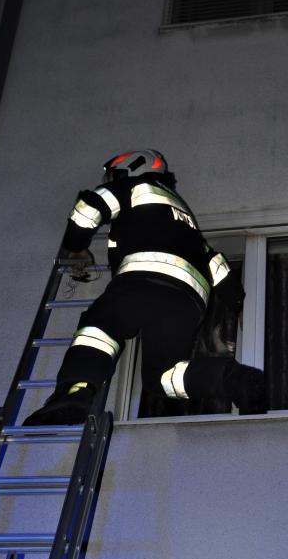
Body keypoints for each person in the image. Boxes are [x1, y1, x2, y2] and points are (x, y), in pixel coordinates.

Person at [23, 149, 267, 426]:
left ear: (131, 167)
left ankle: (75, 392)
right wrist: (236, 303)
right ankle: (232, 379)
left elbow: (89, 207)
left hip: (143, 282)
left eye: (113, 174)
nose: (110, 179)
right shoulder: (185, 221)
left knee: (100, 327)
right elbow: (217, 265)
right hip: (187, 304)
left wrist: (75, 247)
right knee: (162, 377)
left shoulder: (134, 186)